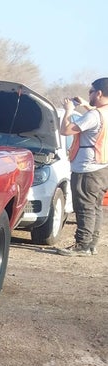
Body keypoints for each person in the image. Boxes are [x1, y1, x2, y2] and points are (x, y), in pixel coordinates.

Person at [57, 77, 108, 256]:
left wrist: (68, 111)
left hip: (87, 169)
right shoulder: (102, 113)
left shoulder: (94, 115)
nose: (90, 94)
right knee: (95, 207)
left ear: (99, 93)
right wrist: (86, 105)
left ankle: (82, 245)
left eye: (91, 92)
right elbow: (97, 118)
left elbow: (66, 130)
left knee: (84, 207)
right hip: (102, 167)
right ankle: (92, 244)